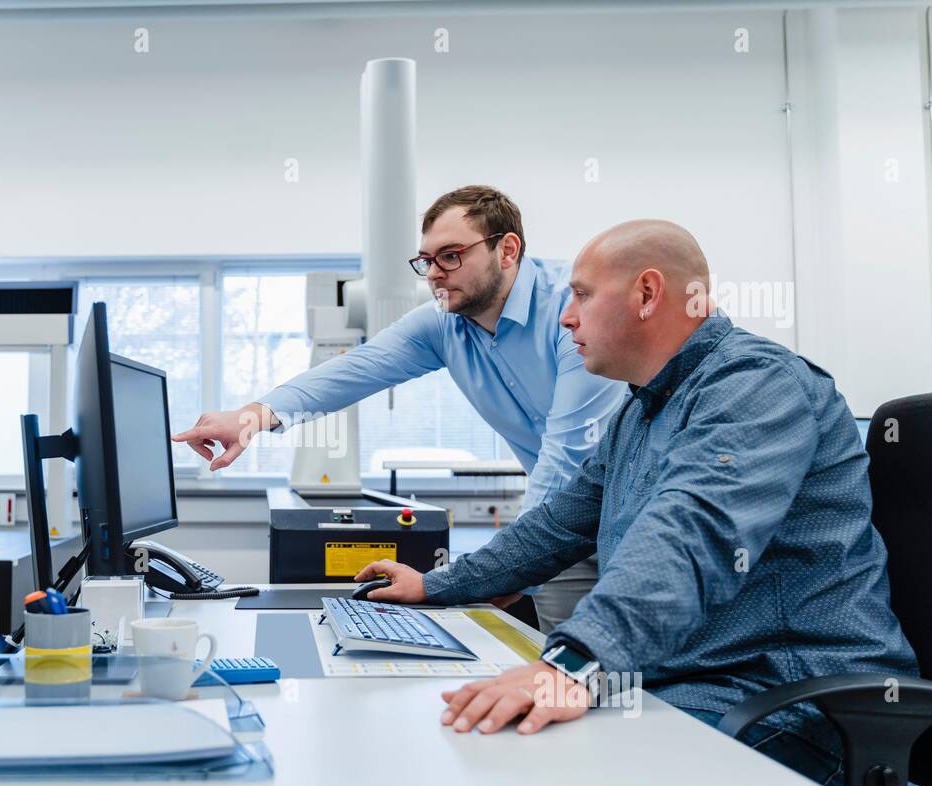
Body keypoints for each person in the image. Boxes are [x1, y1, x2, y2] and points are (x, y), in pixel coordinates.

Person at [352, 218, 919, 786]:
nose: (566, 317)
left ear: (647, 294)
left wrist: (571, 666)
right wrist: (438, 585)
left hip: (794, 702)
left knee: (532, 779)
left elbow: (694, 532)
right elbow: (558, 525)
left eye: (582, 295)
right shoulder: (643, 410)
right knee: (491, 748)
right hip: (694, 682)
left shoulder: (757, 385)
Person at [172, 185, 628, 630]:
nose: (433, 273)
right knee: (570, 674)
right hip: (558, 528)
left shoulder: (572, 311)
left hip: (630, 518)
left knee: (633, 679)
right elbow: (356, 370)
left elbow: (566, 457)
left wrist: (501, 568)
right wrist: (251, 417)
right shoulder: (443, 323)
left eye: (451, 256)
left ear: (507, 250)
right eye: (426, 261)